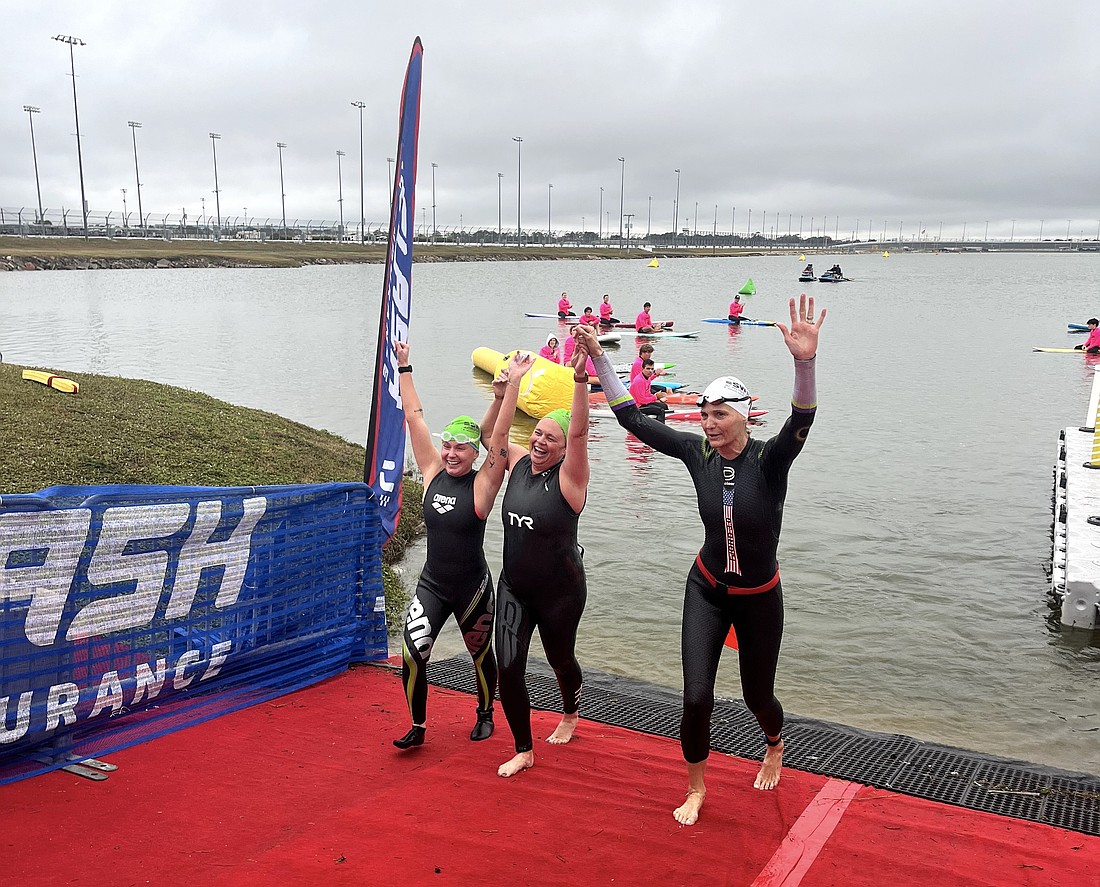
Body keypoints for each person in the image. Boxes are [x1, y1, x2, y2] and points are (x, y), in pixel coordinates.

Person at [573, 294, 825, 825]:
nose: (707, 422)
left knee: (760, 696)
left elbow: (803, 416)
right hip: (707, 589)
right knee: (695, 696)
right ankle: (695, 786)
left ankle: (775, 742)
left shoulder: (771, 459)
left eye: (718, 415)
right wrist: (597, 358)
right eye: (704, 413)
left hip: (759, 598)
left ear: (743, 417)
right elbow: (633, 421)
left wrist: (805, 361)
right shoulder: (696, 454)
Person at [391, 343, 535, 751]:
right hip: (433, 585)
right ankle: (418, 726)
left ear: (476, 454)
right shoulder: (432, 470)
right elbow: (414, 417)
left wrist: (512, 389)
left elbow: (502, 437)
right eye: (447, 445)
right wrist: (405, 366)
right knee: (412, 653)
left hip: (473, 588)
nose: (451, 454)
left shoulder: (483, 484)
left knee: (480, 655)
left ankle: (485, 711)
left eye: (461, 448)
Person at [479, 344, 592, 778]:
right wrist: (512, 388)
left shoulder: (571, 480)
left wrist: (580, 382)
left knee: (561, 658)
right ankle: (523, 748)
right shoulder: (521, 464)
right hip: (515, 587)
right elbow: (495, 438)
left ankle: (569, 711)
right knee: (508, 666)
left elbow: (580, 433)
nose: (541, 442)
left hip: (561, 591)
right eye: (539, 434)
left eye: (551, 438)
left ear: (565, 450)